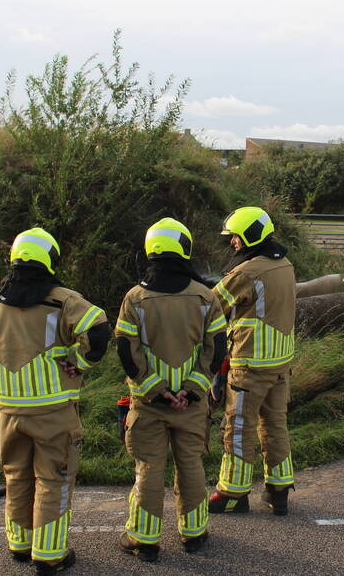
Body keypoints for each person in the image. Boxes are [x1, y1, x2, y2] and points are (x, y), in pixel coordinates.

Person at [0, 227, 110, 574]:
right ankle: (50, 554)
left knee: (16, 475)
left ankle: (20, 545)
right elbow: (99, 330)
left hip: (8, 409)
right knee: (54, 479)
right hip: (52, 409)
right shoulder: (62, 299)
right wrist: (79, 361)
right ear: (50, 259)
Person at [115, 218, 227, 562]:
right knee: (190, 464)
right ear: (185, 248)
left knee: (149, 468)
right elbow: (217, 349)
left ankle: (143, 541)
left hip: (149, 404)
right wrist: (191, 391)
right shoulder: (206, 297)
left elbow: (126, 351)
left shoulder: (135, 298)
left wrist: (155, 390)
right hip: (190, 405)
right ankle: (194, 535)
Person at [207, 207, 297, 516]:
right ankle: (279, 490)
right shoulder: (284, 264)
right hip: (280, 362)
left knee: (238, 427)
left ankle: (232, 491)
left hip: (251, 364)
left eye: (235, 236)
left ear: (250, 236)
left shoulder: (248, 272)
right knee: (275, 424)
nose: (232, 242)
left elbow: (210, 306)